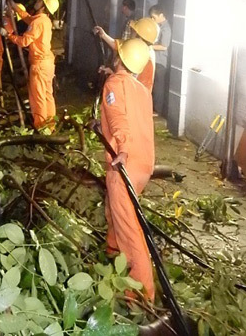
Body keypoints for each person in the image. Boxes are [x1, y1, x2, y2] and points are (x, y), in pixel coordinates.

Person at [100, 37, 155, 301]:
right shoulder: (140, 88)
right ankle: (113, 250)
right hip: (144, 165)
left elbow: (118, 118)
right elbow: (125, 102)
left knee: (130, 231)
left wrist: (122, 147)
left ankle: (141, 295)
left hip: (125, 164)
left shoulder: (113, 84)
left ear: (119, 58)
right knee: (116, 210)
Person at [1, 0, 59, 132]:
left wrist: (8, 35)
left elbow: (24, 42)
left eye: (40, 0)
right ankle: (50, 126)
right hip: (48, 63)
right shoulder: (44, 20)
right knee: (47, 95)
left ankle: (41, 128)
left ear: (44, 7)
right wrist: (16, 8)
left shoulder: (37, 22)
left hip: (39, 64)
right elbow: (29, 19)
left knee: (37, 98)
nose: (37, 1)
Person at [149, 5, 172, 115]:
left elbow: (164, 46)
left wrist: (149, 46)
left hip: (161, 61)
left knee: (158, 86)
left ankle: (157, 110)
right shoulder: (158, 26)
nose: (153, 20)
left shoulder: (166, 28)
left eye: (154, 17)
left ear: (161, 15)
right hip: (155, 60)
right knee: (154, 85)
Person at [129, 17, 159, 93]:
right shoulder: (147, 51)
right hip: (142, 97)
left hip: (136, 97)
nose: (131, 33)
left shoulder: (142, 56)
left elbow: (130, 81)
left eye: (134, 32)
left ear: (140, 37)